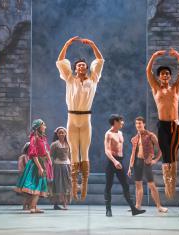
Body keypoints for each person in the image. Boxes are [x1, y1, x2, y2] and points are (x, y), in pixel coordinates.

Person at [56, 36, 104, 201]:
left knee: (85, 152)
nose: (82, 66)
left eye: (84, 64)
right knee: (74, 153)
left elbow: (99, 59)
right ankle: (74, 186)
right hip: (72, 117)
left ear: (87, 68)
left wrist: (93, 44)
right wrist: (67, 44)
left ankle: (84, 186)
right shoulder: (70, 79)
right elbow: (61, 60)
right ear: (76, 68)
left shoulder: (93, 79)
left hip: (85, 119)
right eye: (79, 65)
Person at [145, 48, 179, 199]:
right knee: (165, 154)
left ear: (170, 76)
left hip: (175, 126)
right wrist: (154, 56)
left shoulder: (175, 88)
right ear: (159, 76)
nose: (165, 76)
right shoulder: (156, 88)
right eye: (162, 74)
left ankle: (172, 184)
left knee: (173, 154)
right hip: (162, 125)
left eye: (167, 74)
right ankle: (167, 183)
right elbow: (148, 72)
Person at [104, 114, 146, 217]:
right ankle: (108, 210)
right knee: (108, 185)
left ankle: (133, 209)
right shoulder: (108, 134)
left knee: (125, 185)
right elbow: (107, 151)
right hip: (111, 162)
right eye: (120, 121)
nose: (122, 123)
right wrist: (114, 161)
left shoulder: (120, 133)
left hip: (120, 161)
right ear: (115, 122)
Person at [127, 116, 168, 213]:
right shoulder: (134, 139)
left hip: (147, 162)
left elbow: (161, 149)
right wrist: (130, 167)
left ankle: (159, 206)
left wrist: (156, 160)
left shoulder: (150, 135)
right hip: (137, 162)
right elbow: (133, 154)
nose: (138, 125)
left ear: (144, 124)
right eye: (137, 123)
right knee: (138, 185)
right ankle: (137, 206)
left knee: (151, 185)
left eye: (140, 123)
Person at [15, 119, 51, 213]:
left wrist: (47, 158)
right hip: (36, 164)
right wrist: (39, 167)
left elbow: (44, 150)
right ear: (39, 127)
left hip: (41, 162)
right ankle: (32, 207)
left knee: (38, 185)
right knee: (36, 185)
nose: (45, 127)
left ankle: (33, 206)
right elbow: (34, 154)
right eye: (44, 125)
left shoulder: (42, 138)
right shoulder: (34, 138)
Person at [50, 127, 72, 210]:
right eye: (59, 133)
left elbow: (70, 155)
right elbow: (51, 155)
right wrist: (50, 166)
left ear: (66, 134)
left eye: (63, 132)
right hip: (57, 166)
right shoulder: (55, 144)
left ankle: (65, 203)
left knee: (67, 184)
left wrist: (71, 164)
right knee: (58, 184)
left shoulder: (68, 144)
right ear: (57, 134)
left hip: (66, 165)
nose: (61, 134)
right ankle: (56, 203)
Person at [17, 142, 31, 210]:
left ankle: (30, 205)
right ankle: (25, 205)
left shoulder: (34, 157)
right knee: (26, 193)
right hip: (25, 176)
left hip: (32, 177)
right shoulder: (23, 157)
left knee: (31, 192)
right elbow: (21, 168)